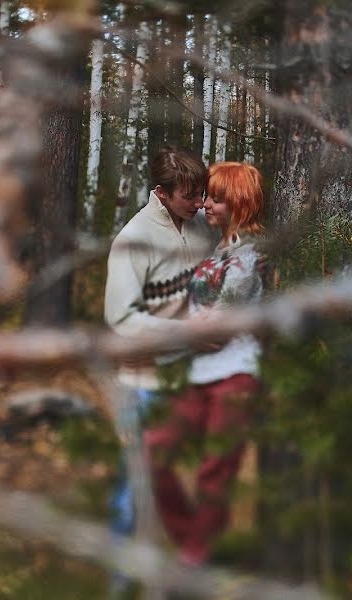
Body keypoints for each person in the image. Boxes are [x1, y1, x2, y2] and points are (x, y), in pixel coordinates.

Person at [143, 161, 267, 566]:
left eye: (215, 198)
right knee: (153, 453)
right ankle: (189, 547)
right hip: (200, 373)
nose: (205, 204)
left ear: (238, 201)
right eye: (205, 197)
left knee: (216, 471)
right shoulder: (219, 247)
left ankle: (193, 561)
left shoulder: (248, 253)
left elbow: (222, 317)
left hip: (236, 374)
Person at [104, 145, 219, 544]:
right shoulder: (134, 239)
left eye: (202, 192)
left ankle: (182, 565)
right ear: (162, 192)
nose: (199, 202)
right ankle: (119, 577)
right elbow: (120, 319)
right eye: (190, 195)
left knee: (175, 482)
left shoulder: (203, 225)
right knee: (133, 488)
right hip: (143, 382)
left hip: (189, 375)